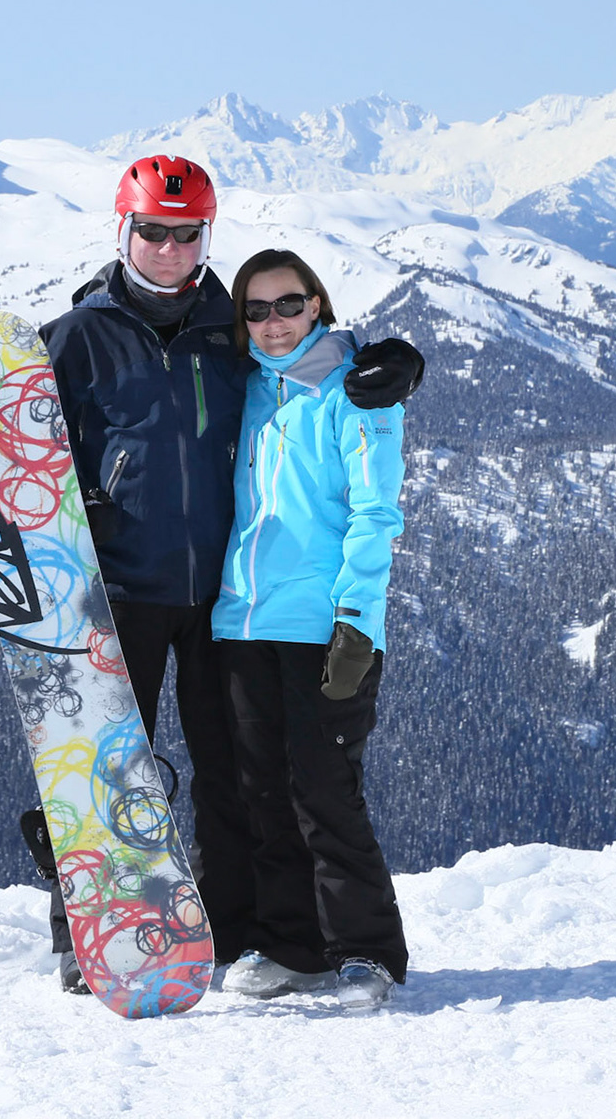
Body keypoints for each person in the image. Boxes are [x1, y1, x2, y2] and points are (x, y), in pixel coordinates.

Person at [24, 156, 424, 994]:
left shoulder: (230, 324)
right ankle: (85, 933)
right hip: (119, 589)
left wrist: (398, 363)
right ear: (123, 230)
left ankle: (242, 933)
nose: (170, 249)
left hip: (218, 597)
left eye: (188, 233)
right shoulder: (78, 337)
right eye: (154, 232)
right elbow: (22, 457)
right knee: (99, 764)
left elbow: (316, 365)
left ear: (208, 235)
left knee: (231, 779)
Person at [210, 247, 411, 1011]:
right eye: (255, 311)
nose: (272, 323)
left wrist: (357, 619)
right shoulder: (252, 388)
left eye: (287, 305)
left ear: (318, 303)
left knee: (326, 791)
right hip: (243, 620)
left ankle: (366, 950)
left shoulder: (357, 389)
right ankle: (294, 947)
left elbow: (375, 511)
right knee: (263, 792)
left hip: (325, 626)